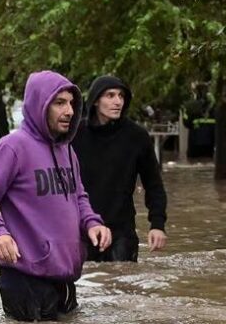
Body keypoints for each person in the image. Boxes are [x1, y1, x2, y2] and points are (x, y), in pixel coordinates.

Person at [0, 70, 111, 322]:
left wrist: (92, 222)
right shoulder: (12, 148)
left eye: (72, 103)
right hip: (24, 279)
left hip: (63, 278)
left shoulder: (67, 150)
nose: (69, 111)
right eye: (59, 103)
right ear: (39, 106)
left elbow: (78, 196)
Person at [72, 75, 168, 262]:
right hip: (82, 230)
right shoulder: (75, 136)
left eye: (121, 96)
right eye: (110, 95)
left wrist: (157, 224)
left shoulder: (137, 137)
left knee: (122, 285)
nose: (118, 102)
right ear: (95, 101)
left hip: (122, 232)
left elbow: (154, 185)